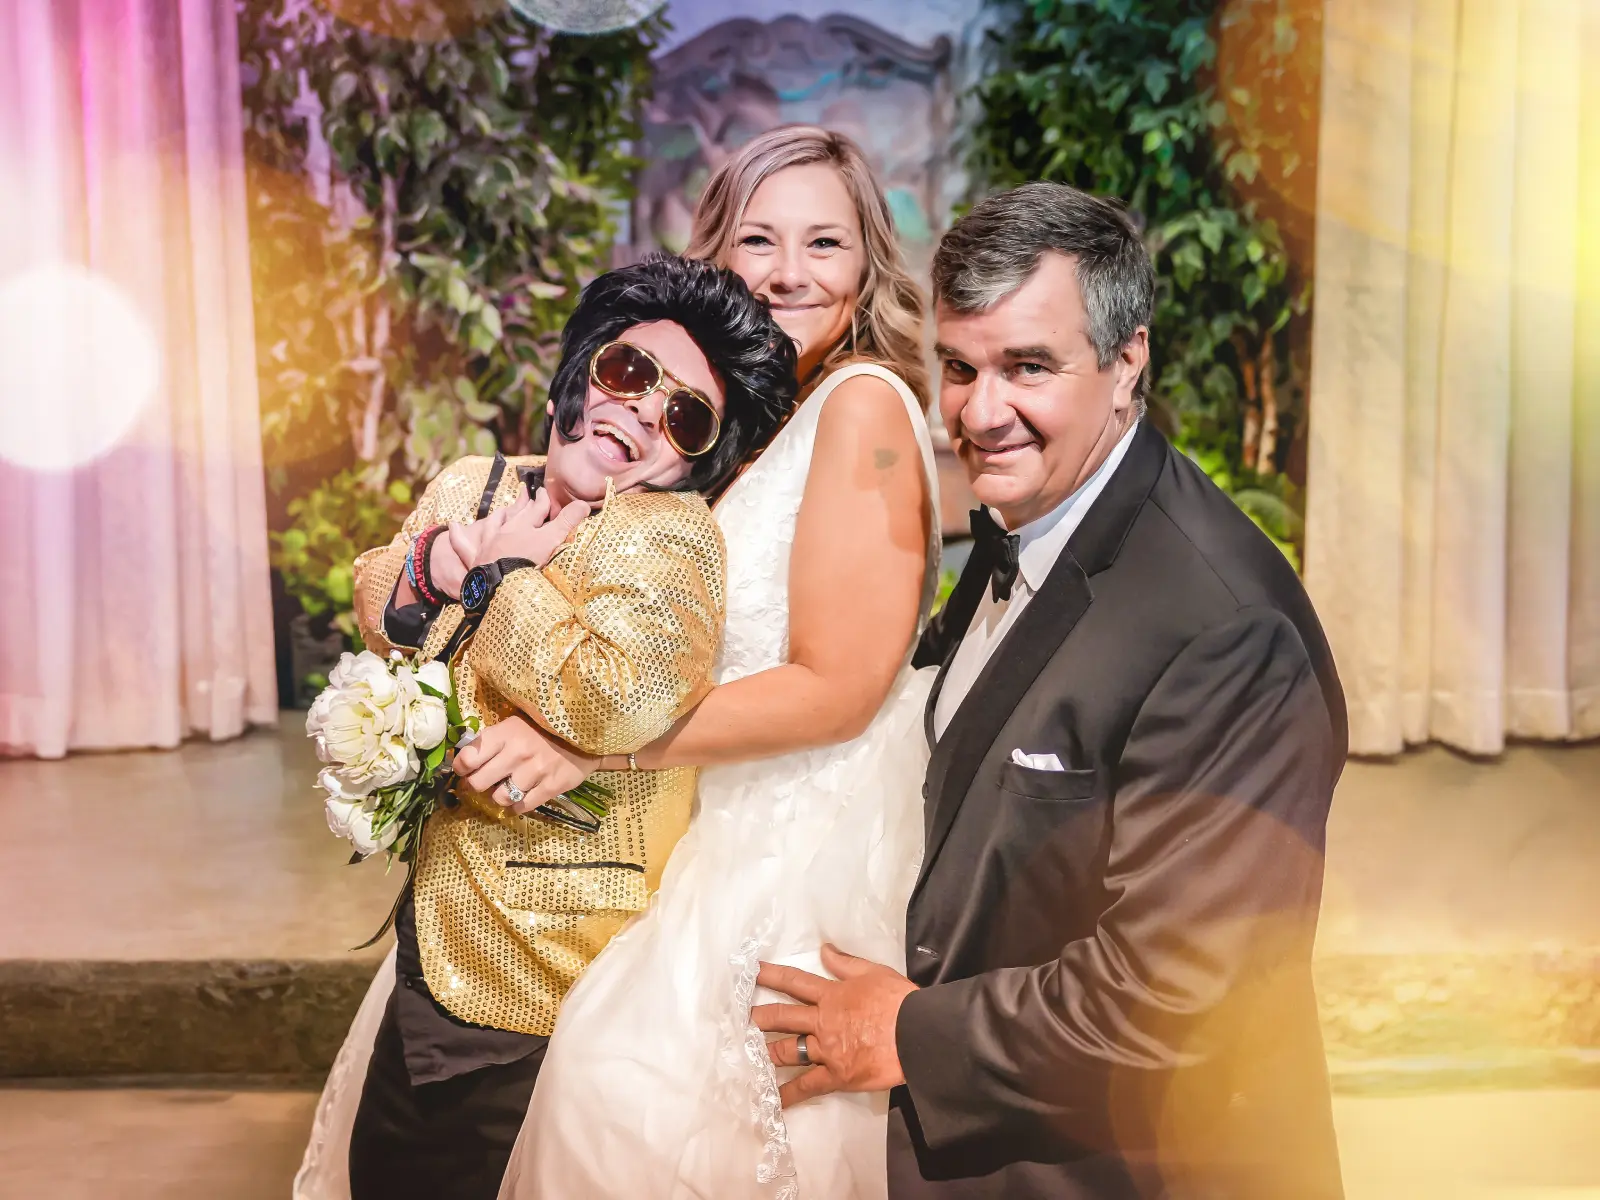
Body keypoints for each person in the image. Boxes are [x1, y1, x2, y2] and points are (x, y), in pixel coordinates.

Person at [753, 181, 1349, 1198]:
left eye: (1028, 366)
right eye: (959, 368)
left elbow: (1173, 998)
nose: (980, 414)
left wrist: (907, 1032)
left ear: (1128, 364)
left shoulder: (1225, 629)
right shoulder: (1023, 522)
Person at [474, 126, 940, 1198]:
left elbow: (839, 686)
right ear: (714, 252)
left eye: (824, 242)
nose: (787, 272)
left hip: (794, 839)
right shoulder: (743, 422)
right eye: (758, 240)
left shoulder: (861, 405)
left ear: (867, 262)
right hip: (709, 816)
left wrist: (595, 748)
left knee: (624, 1103)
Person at [293, 253, 797, 1200]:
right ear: (584, 365)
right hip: (427, 939)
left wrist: (505, 576)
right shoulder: (474, 484)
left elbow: (615, 699)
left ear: (695, 461)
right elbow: (381, 599)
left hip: (545, 973)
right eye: (632, 373)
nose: (644, 412)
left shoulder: (674, 540)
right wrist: (443, 560)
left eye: (685, 416)